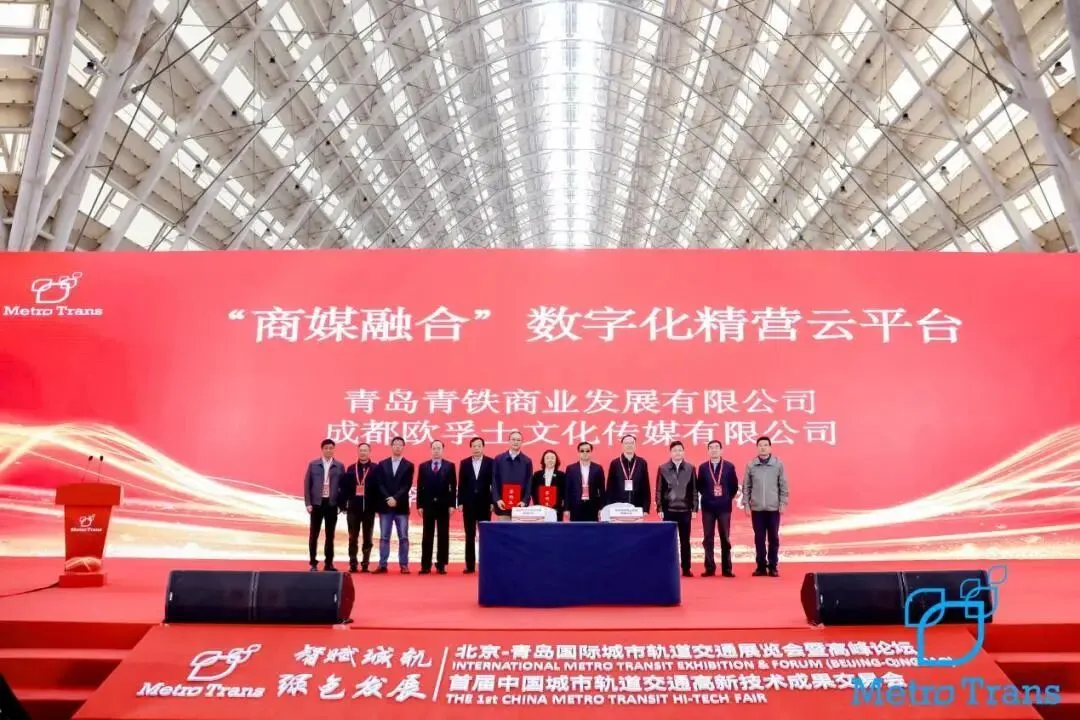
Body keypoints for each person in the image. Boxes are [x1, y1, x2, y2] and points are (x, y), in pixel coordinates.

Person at [742, 435, 789, 577]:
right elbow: (746, 486)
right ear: (757, 448)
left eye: (765, 445)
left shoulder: (778, 464)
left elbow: (783, 485)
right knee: (759, 538)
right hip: (757, 509)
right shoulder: (751, 465)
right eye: (760, 445)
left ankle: (773, 566)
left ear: (770, 447)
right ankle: (761, 566)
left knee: (773, 538)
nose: (763, 447)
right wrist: (746, 504)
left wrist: (783, 502)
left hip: (773, 508)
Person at [655, 440, 697, 577]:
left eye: (680, 450)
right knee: (668, 541)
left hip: (685, 510)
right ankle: (667, 567)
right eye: (675, 450)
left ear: (683, 452)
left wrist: (695, 508)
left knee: (685, 541)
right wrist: (660, 508)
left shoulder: (690, 468)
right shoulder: (663, 468)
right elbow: (659, 490)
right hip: (669, 510)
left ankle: (686, 568)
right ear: (670, 453)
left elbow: (694, 490)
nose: (677, 452)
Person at [303, 438, 346, 572]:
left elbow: (343, 487)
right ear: (322, 450)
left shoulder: (339, 466)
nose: (328, 450)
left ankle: (329, 563)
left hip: (331, 504)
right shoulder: (313, 464)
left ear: (334, 449)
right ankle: (313, 563)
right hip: (317, 503)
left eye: (331, 448)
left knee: (330, 535)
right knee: (314, 534)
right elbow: (307, 485)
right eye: (326, 448)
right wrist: (308, 503)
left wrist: (341, 505)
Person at [697, 439, 738, 577]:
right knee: (708, 538)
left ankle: (727, 569)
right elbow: (700, 486)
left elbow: (733, 486)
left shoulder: (729, 467)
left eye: (716, 447)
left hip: (724, 508)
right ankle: (709, 568)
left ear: (721, 450)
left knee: (725, 538)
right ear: (708, 451)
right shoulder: (703, 467)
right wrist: (709, 496)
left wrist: (726, 497)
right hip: (708, 507)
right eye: (711, 447)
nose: (714, 449)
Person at [417, 440, 456, 574]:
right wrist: (419, 505)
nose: (436, 450)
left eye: (439, 448)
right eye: (434, 448)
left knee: (443, 535)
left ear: (442, 450)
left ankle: (441, 564)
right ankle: (425, 565)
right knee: (427, 535)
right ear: (431, 450)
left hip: (444, 505)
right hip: (428, 505)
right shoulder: (423, 466)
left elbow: (453, 487)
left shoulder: (450, 466)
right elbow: (419, 487)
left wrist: (452, 504)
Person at [376, 436, 414, 573]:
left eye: (400, 445)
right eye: (395, 444)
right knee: (384, 537)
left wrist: (395, 498)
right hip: (385, 506)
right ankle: (382, 565)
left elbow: (406, 485)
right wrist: (388, 498)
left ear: (403, 447)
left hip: (401, 506)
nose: (397, 447)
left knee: (403, 537)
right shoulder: (382, 464)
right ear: (391, 446)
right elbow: (380, 484)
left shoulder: (409, 465)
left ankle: (404, 565)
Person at [342, 442, 381, 573]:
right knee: (353, 537)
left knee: (367, 537)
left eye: (365, 450)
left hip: (369, 508)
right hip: (353, 508)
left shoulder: (376, 468)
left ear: (369, 452)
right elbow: (345, 489)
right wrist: (344, 505)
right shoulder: (351, 468)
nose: (363, 452)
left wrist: (377, 507)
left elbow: (378, 489)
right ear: (358, 452)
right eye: (361, 450)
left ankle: (365, 563)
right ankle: (353, 563)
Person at [456, 436, 493, 573]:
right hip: (469, 503)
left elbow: (493, 484)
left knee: (485, 535)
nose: (476, 448)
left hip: (485, 503)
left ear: (483, 447)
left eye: (479, 446)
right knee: (469, 535)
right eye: (474, 446)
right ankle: (470, 565)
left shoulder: (490, 462)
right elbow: (461, 484)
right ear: (470, 447)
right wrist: (460, 502)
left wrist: (492, 502)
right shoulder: (464, 463)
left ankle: (486, 563)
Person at [491, 430, 533, 519]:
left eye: (518, 440)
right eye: (513, 439)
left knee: (519, 528)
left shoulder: (527, 461)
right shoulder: (499, 459)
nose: (515, 442)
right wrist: (497, 499)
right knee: (504, 527)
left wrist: (524, 501)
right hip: (502, 504)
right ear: (509, 441)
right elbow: (494, 480)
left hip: (520, 505)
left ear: (522, 442)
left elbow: (529, 482)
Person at [607, 434, 650, 512]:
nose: (629, 445)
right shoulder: (615, 463)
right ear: (622, 446)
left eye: (631, 443)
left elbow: (646, 487)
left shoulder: (642, 463)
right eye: (626, 443)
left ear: (635, 445)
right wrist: (609, 506)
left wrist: (645, 508)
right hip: (618, 507)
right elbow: (610, 487)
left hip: (637, 507)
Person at [564, 441, 605, 521]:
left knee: (592, 527)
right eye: (582, 451)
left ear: (591, 452)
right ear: (578, 453)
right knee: (576, 528)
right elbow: (567, 489)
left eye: (587, 451)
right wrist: (566, 508)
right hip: (575, 505)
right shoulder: (571, 468)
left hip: (593, 505)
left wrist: (602, 507)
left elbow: (602, 490)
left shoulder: (598, 468)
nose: (585, 453)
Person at [530, 449, 566, 521]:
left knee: (555, 528)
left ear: (556, 460)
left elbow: (564, 493)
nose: (550, 460)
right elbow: (533, 492)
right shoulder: (537, 474)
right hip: (540, 510)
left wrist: (559, 507)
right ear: (543, 460)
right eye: (547, 458)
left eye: (552, 458)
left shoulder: (561, 475)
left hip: (556, 511)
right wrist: (537, 506)